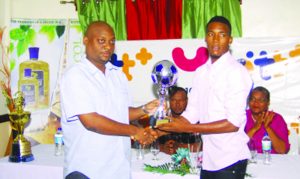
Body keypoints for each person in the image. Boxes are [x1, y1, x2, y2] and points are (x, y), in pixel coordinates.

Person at [60, 21, 159, 179]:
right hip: (87, 171)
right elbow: (91, 121)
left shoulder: (117, 75)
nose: (108, 46)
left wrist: (143, 110)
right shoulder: (75, 76)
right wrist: (135, 131)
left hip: (118, 169)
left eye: (112, 41)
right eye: (101, 41)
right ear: (86, 41)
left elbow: (120, 113)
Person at [157, 16, 253, 179]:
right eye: (211, 34)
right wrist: (159, 129)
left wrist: (188, 128)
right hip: (208, 159)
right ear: (205, 38)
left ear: (230, 39)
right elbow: (192, 112)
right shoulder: (201, 72)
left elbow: (233, 124)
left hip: (230, 160)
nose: (215, 39)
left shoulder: (236, 72)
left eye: (221, 35)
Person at [245, 86, 290, 154]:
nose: (256, 103)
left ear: (268, 103)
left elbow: (282, 150)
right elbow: (236, 147)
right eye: (252, 99)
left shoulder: (277, 119)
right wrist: (254, 128)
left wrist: (268, 127)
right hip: (247, 160)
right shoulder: (242, 116)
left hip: (271, 160)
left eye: (261, 100)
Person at [158, 86, 201, 154]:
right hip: (164, 160)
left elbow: (204, 146)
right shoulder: (162, 118)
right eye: (173, 100)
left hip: (191, 160)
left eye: (181, 100)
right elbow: (150, 143)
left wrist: (180, 147)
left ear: (187, 101)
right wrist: (162, 148)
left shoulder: (196, 120)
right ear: (169, 101)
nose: (177, 104)